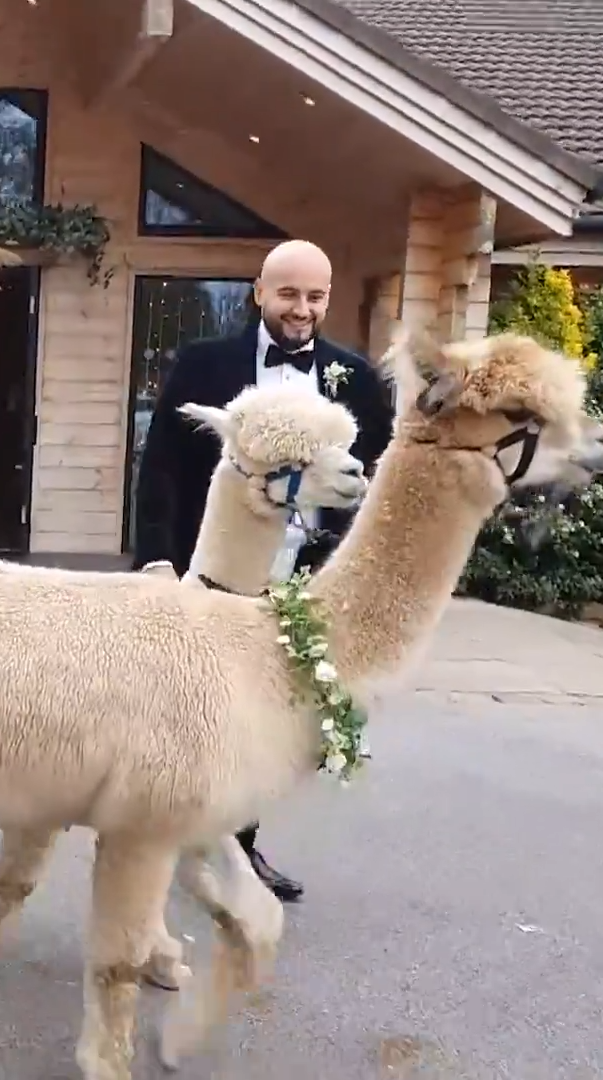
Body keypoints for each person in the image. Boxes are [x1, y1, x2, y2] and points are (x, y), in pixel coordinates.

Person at [130, 239, 393, 903]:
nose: (302, 310)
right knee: (184, 710)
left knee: (258, 719)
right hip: (211, 568)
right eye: (289, 294)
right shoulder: (202, 365)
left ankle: (237, 853)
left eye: (315, 297)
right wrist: (157, 558)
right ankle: (160, 842)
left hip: (302, 580)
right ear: (259, 292)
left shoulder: (355, 379)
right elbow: (159, 467)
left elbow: (374, 485)